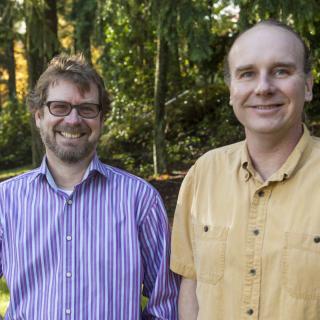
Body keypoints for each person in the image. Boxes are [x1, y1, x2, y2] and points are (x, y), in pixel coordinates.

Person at [0, 54, 179, 319]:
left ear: (101, 119)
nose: (73, 120)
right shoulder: (6, 201)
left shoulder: (140, 200)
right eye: (59, 107)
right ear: (39, 116)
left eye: (86, 108)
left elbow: (166, 302)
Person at [170, 20, 319, 319]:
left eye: (281, 71)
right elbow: (191, 281)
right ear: (231, 90)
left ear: (307, 86)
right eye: (247, 74)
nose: (263, 87)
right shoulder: (203, 174)